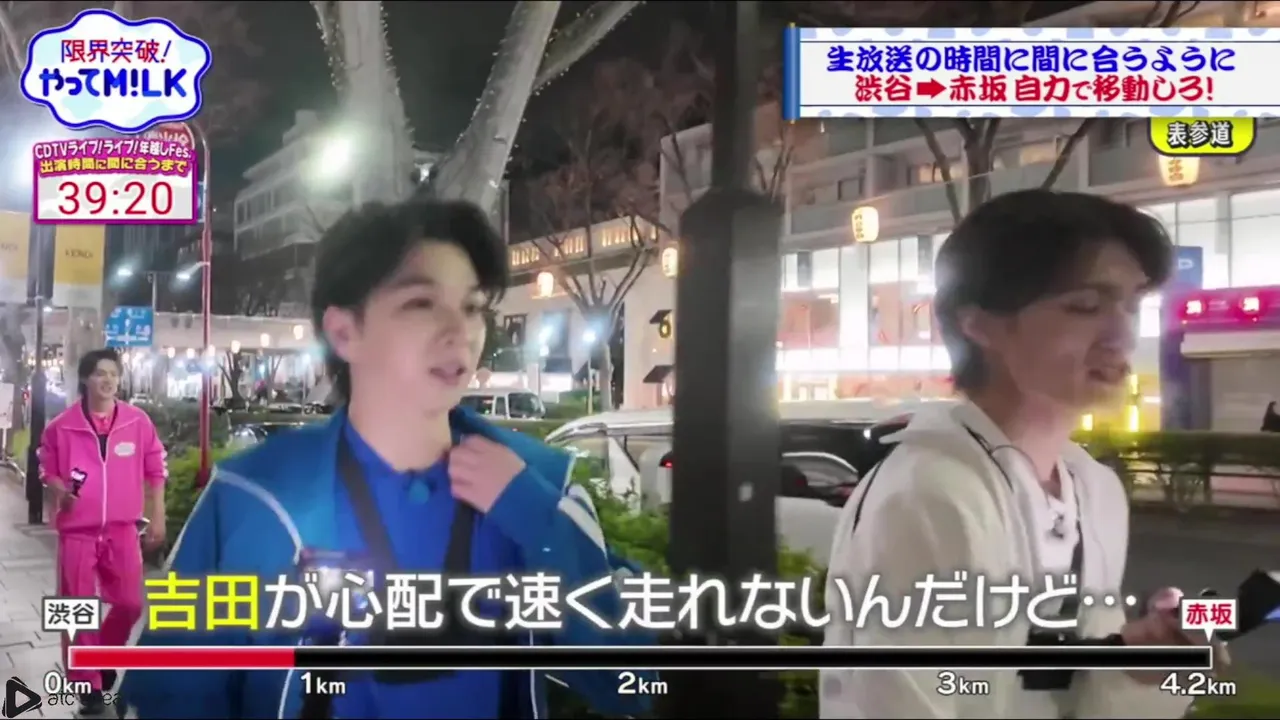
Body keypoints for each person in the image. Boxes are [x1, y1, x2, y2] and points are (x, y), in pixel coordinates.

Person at [119, 199, 653, 719]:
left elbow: (636, 680)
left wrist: (538, 521)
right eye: (421, 303)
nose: (460, 332)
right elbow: (173, 688)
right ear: (344, 331)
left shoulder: (537, 487)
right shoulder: (255, 496)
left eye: (472, 307)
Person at [821, 189, 1223, 718]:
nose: (1123, 336)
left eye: (1133, 305)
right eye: (1085, 306)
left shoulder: (1094, 492)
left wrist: (1136, 665)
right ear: (979, 323)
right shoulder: (929, 493)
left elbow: (1069, 693)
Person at [39, 348, 168, 717]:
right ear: (85, 379)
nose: (108, 380)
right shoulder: (61, 427)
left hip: (122, 529)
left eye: (113, 373)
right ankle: (86, 684)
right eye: (100, 373)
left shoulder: (137, 422)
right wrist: (59, 490)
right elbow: (46, 469)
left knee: (130, 604)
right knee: (75, 610)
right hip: (77, 531)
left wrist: (158, 515)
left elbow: (156, 469)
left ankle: (103, 658)